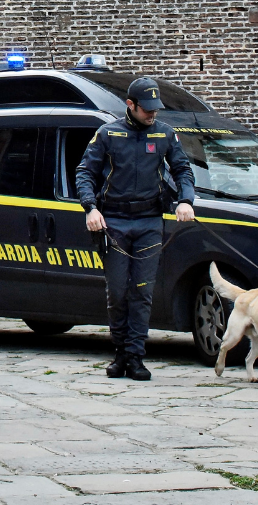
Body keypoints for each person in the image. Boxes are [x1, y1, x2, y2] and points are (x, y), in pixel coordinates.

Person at [75, 77, 196, 381]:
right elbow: (85, 173)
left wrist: (185, 201)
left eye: (156, 109)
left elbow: (183, 170)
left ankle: (136, 356)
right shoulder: (107, 133)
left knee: (142, 292)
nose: (152, 114)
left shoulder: (166, 134)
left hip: (149, 222)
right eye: (146, 109)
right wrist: (91, 208)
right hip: (114, 222)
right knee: (118, 292)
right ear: (130, 105)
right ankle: (120, 353)